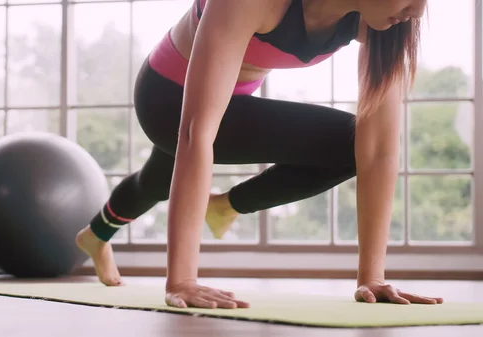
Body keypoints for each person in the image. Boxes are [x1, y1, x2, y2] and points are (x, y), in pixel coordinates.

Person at [76, 0, 445, 309]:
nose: (418, 10)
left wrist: (373, 278)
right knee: (165, 172)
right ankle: (217, 209)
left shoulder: (386, 20)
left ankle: (97, 234)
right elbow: (195, 132)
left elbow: (379, 149)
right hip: (166, 99)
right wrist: (182, 281)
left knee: (154, 182)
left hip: (233, 96)